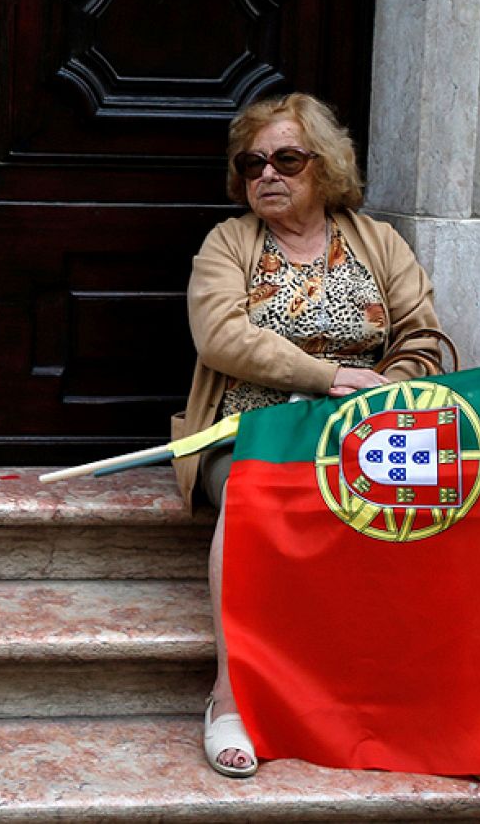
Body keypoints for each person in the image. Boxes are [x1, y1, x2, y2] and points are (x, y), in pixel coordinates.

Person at [174, 92, 443, 778]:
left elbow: (423, 338)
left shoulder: (377, 242)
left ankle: (431, 700)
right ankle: (229, 696)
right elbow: (220, 335)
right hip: (251, 429)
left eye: (286, 160)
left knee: (440, 498)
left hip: (367, 432)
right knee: (252, 493)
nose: (267, 174)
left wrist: (384, 394)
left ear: (325, 167)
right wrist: (326, 377)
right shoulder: (228, 243)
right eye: (253, 163)